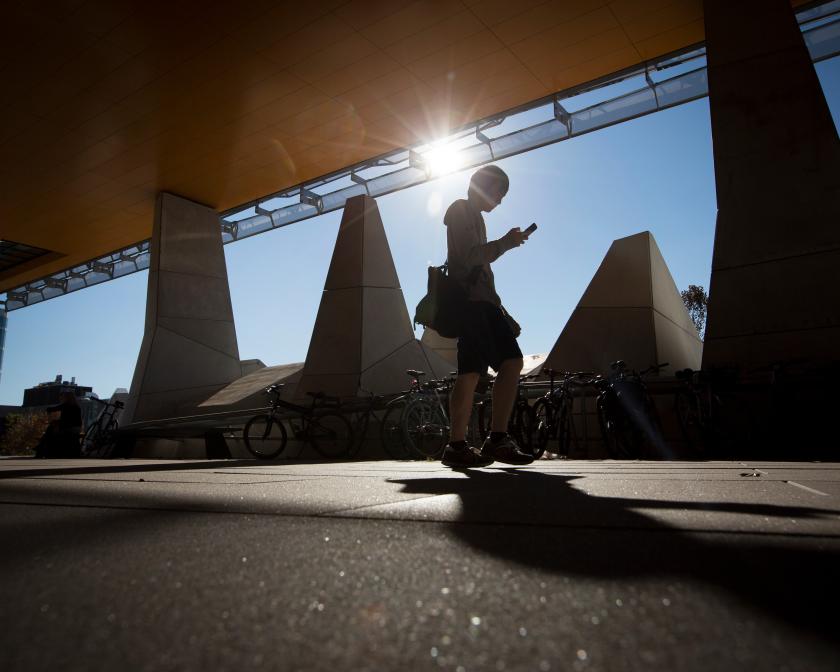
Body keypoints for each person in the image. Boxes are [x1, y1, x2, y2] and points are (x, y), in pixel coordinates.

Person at [441, 165, 535, 468]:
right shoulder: (460, 210)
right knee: (476, 370)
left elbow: (477, 260)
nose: (500, 200)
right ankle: (473, 443)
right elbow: (470, 258)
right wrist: (505, 243)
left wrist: (497, 304)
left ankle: (480, 441)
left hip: (483, 304)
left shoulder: (475, 216)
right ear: (483, 185)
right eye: (499, 192)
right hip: (472, 305)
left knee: (496, 366)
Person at [34, 391, 82, 458]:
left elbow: (52, 409)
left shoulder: (65, 405)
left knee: (50, 430)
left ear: (66, 398)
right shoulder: (77, 406)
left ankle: (41, 449)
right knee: (52, 428)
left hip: (69, 429)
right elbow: (70, 420)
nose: (61, 399)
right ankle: (41, 448)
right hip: (77, 429)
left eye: (63, 397)